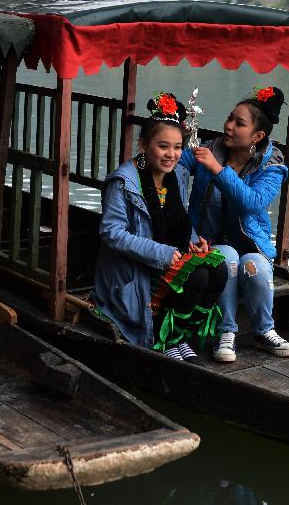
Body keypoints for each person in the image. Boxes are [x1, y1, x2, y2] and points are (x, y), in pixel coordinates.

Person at [92, 92, 227, 361]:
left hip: (168, 256)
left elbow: (178, 218)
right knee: (196, 276)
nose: (172, 154)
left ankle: (178, 335)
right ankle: (163, 339)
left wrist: (192, 238)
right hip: (135, 269)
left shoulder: (176, 175)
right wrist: (160, 253)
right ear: (144, 146)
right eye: (163, 146)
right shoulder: (123, 182)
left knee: (218, 269)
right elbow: (112, 232)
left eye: (177, 147)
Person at [179, 85, 289, 363]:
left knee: (253, 264)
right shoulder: (210, 149)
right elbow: (174, 164)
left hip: (251, 246)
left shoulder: (273, 166)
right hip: (206, 243)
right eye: (230, 118)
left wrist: (217, 170)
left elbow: (253, 202)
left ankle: (264, 330)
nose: (228, 126)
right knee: (228, 255)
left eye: (238, 123)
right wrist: (164, 144)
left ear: (258, 135)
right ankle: (227, 332)